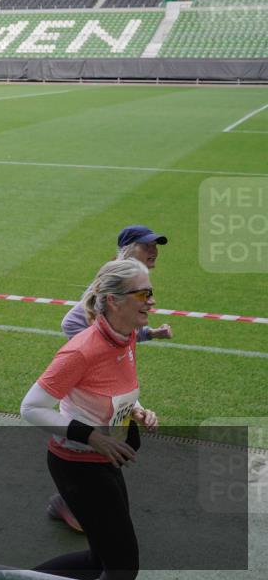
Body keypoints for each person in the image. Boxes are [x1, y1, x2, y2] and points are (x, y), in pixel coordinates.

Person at [21, 259, 160, 580]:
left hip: (106, 458)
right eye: (143, 294)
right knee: (122, 569)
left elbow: (111, 388)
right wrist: (93, 437)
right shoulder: (81, 351)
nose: (152, 301)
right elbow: (31, 407)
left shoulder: (124, 336)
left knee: (103, 559)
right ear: (114, 301)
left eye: (151, 293)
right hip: (79, 466)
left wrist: (137, 409)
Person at [50, 225, 171, 533]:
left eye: (156, 245)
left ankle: (79, 498)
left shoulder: (135, 283)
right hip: (92, 385)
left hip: (113, 379)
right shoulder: (115, 280)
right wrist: (96, 351)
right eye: (147, 245)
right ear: (129, 248)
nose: (154, 250)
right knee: (95, 449)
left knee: (128, 440)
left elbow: (122, 330)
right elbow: (73, 322)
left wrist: (145, 335)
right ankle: (68, 502)